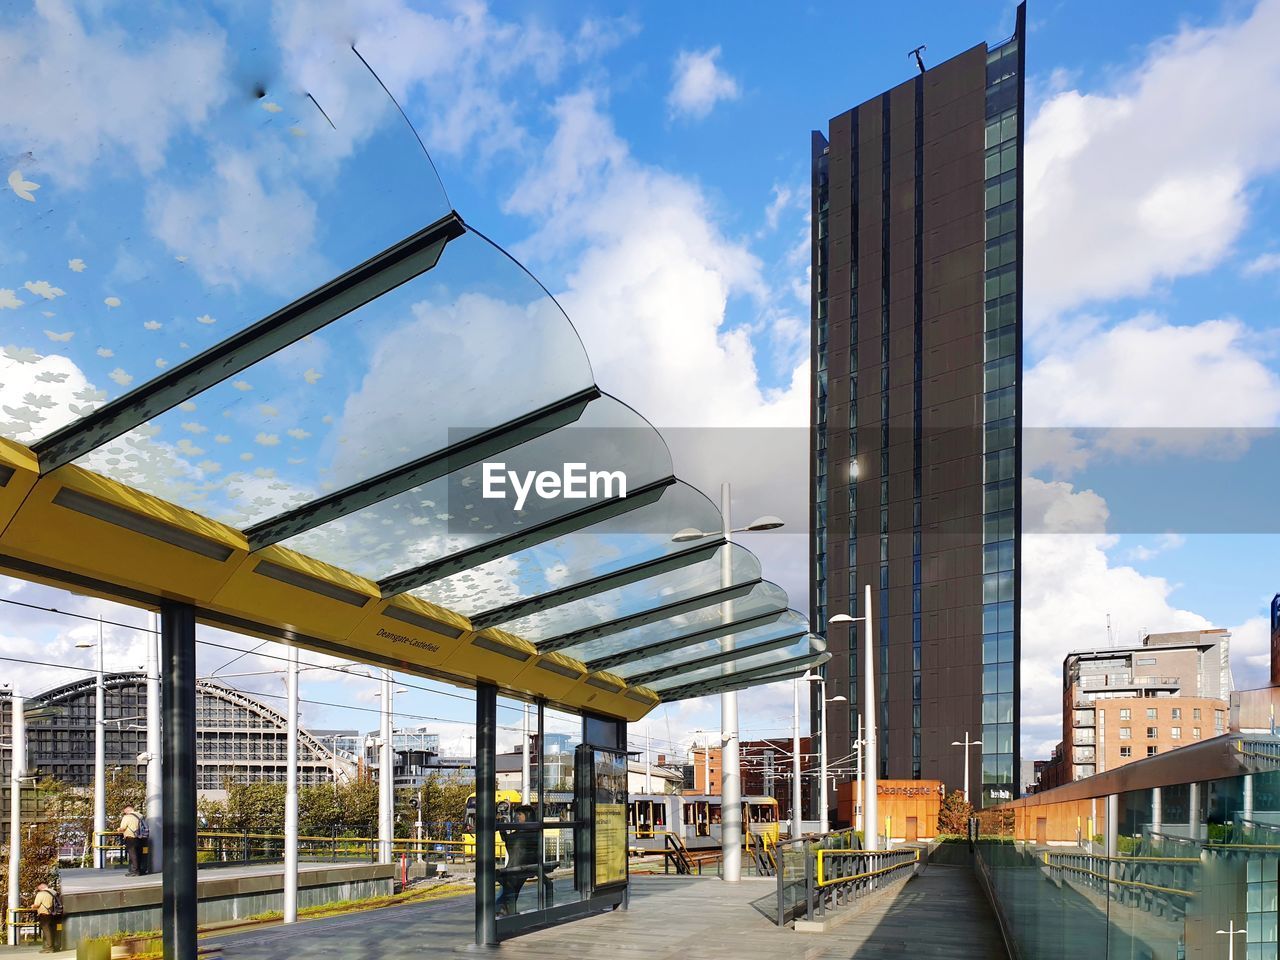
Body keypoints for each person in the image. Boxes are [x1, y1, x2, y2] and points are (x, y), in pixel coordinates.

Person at [31, 882, 60, 953]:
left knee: (47, 931)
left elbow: (37, 905)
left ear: (41, 887)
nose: (38, 889)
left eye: (38, 888)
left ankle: (49, 948)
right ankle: (56, 946)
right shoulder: (54, 892)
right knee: (53, 931)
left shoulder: (41, 894)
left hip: (44, 914)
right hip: (54, 914)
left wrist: (32, 906)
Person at [119, 804, 146, 876]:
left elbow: (123, 828)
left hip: (131, 837)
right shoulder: (140, 816)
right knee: (139, 854)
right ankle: (140, 870)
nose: (125, 813)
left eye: (125, 812)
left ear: (127, 810)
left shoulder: (127, 817)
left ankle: (135, 871)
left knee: (133, 855)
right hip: (141, 837)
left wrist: (119, 829)